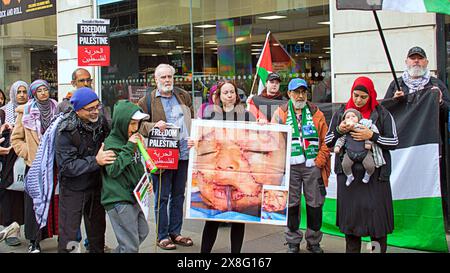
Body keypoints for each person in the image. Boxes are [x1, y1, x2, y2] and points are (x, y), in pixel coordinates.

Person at [326, 76, 398, 253]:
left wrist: (371, 136)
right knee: (351, 227)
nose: (358, 100)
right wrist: (338, 131)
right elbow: (328, 141)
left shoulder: (382, 113)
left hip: (376, 178)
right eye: (355, 95)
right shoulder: (341, 113)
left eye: (363, 97)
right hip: (349, 181)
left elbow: (394, 142)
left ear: (371, 96)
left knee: (377, 225)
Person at [189, 80, 258, 253]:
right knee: (212, 217)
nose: (229, 95)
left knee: (238, 218)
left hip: (237, 172)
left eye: (232, 92)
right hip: (216, 172)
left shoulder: (247, 116)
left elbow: (255, 140)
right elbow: (202, 140)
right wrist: (194, 141)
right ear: (219, 96)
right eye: (225, 92)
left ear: (236, 95)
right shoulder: (210, 117)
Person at [137, 64, 194, 251]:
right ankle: (162, 236)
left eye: (170, 76)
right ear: (156, 79)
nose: (167, 80)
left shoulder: (183, 95)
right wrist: (154, 125)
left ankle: (175, 232)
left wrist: (193, 137)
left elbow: (191, 121)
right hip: (162, 156)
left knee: (179, 195)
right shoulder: (146, 100)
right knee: (162, 197)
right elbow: (138, 125)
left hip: (183, 154)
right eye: (163, 77)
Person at [272, 78, 330, 253]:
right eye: (296, 92)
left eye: (303, 91)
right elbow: (274, 140)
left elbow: (326, 140)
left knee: (315, 205)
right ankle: (292, 241)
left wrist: (319, 160)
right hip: (291, 167)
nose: (300, 95)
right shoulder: (280, 113)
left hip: (313, 166)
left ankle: (313, 241)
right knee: (292, 205)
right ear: (289, 94)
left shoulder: (316, 113)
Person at [55, 88, 113, 253]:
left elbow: (112, 138)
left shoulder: (101, 122)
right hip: (73, 188)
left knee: (97, 231)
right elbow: (67, 166)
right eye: (90, 109)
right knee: (69, 233)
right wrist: (95, 161)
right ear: (78, 109)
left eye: (97, 106)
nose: (96, 111)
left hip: (96, 185)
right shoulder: (65, 130)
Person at [11, 79, 58, 253]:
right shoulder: (26, 112)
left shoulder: (56, 109)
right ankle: (33, 240)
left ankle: (52, 235)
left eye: (45, 89)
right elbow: (16, 139)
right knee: (33, 204)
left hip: (53, 164)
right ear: (34, 94)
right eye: (39, 91)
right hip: (35, 165)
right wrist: (28, 152)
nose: (43, 93)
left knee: (53, 202)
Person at [101, 100, 150, 253]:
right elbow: (113, 170)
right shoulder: (111, 143)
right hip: (118, 198)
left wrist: (145, 182)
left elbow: (137, 165)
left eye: (137, 124)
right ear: (122, 122)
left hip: (134, 195)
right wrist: (129, 146)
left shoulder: (133, 140)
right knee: (130, 245)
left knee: (142, 232)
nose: (135, 128)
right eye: (132, 124)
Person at [0, 81, 28, 247]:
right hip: (7, 159)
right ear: (13, 94)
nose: (22, 95)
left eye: (25, 91)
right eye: (19, 92)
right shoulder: (3, 112)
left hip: (26, 156)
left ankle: (23, 229)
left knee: (22, 195)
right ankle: (10, 229)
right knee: (8, 195)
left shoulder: (33, 110)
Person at [333, 108, 382, 185]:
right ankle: (349, 176)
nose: (351, 118)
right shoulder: (345, 130)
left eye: (353, 116)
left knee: (370, 166)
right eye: (348, 117)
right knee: (345, 165)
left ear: (359, 118)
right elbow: (341, 139)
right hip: (349, 153)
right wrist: (337, 147)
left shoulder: (363, 127)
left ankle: (368, 174)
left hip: (365, 152)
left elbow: (368, 136)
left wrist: (368, 143)